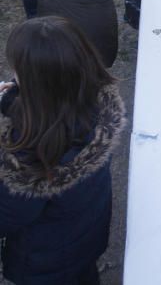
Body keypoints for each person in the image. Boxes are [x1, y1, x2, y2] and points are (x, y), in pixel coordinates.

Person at [0, 15, 125, 285]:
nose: (13, 76)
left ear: (38, 87)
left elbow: (6, 217)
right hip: (83, 240)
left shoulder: (30, 159)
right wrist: (11, 101)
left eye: (18, 72)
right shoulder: (97, 106)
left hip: (42, 265)